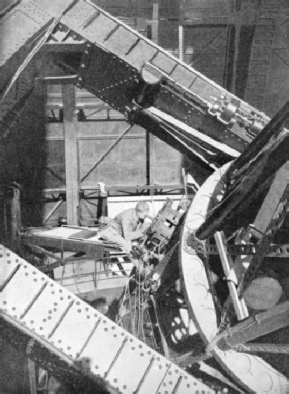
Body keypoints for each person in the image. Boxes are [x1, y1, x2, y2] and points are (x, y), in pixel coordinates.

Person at [99, 202, 150, 269]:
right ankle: (140, 269)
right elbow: (127, 236)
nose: (146, 216)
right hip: (111, 232)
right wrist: (141, 231)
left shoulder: (138, 214)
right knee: (126, 244)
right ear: (138, 212)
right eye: (145, 215)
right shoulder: (127, 217)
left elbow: (138, 227)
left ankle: (144, 262)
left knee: (140, 243)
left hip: (121, 233)